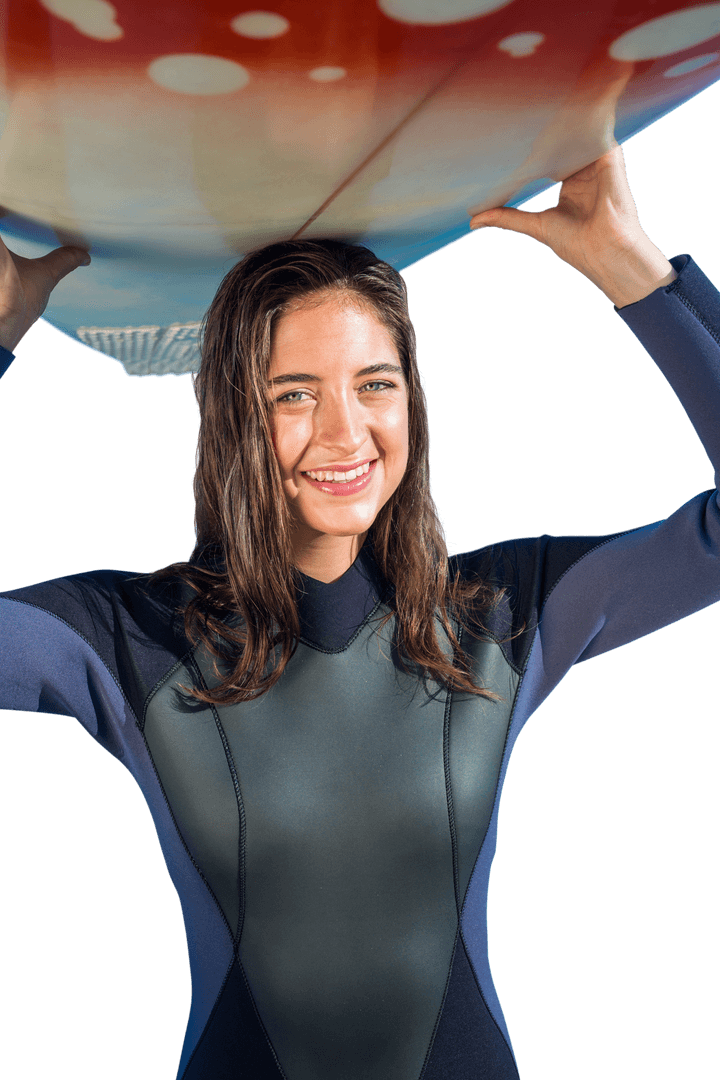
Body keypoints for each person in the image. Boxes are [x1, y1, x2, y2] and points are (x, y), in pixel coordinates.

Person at [1, 143, 718, 1080]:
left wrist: (637, 271)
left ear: (412, 401)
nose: (345, 434)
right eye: (293, 394)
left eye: (374, 384)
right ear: (230, 417)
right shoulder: (134, 640)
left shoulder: (501, 618)